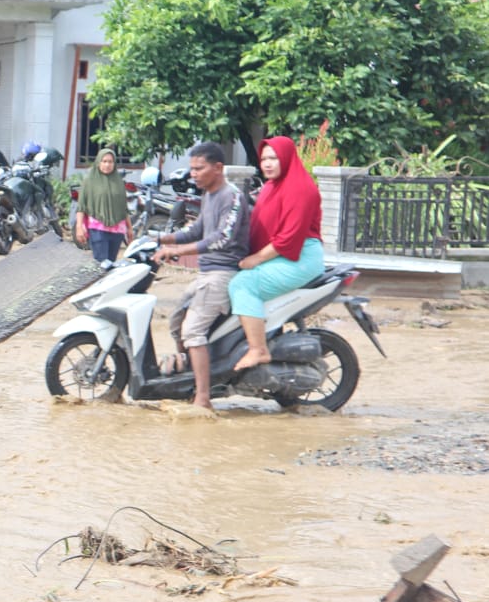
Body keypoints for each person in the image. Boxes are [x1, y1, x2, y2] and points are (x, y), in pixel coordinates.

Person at [153, 142, 248, 410]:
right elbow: (196, 231)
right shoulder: (208, 196)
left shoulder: (232, 197)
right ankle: (188, 378)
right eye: (191, 168)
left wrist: (178, 249)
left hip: (222, 273)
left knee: (192, 331)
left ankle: (203, 398)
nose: (193, 174)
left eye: (199, 168)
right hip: (206, 272)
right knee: (176, 322)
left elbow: (222, 238)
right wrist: (159, 238)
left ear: (218, 168)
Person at [230, 136, 324, 372]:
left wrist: (256, 259)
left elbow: (289, 237)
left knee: (243, 285)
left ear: (287, 158)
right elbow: (258, 226)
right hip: (278, 254)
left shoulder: (301, 188)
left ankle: (258, 349)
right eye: (263, 159)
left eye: (273, 158)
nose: (267, 164)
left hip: (300, 257)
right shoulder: (271, 187)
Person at [74, 148, 130, 266]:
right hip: (98, 228)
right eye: (104, 161)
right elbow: (81, 206)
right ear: (98, 162)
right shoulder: (89, 181)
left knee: (111, 264)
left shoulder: (119, 181)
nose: (107, 164)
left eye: (110, 162)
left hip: (117, 230)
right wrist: (79, 227)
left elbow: (124, 208)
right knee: (101, 264)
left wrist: (129, 228)